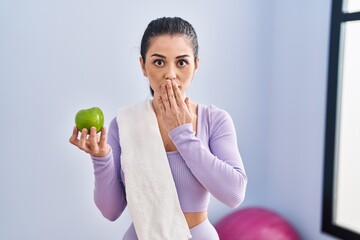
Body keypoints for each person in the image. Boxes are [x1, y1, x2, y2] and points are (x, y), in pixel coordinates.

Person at [69, 16, 247, 240]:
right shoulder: (125, 124)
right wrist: (101, 158)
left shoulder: (215, 120)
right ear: (143, 65)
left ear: (196, 65)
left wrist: (183, 134)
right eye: (159, 62)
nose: (170, 74)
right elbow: (110, 211)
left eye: (181, 62)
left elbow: (234, 194)